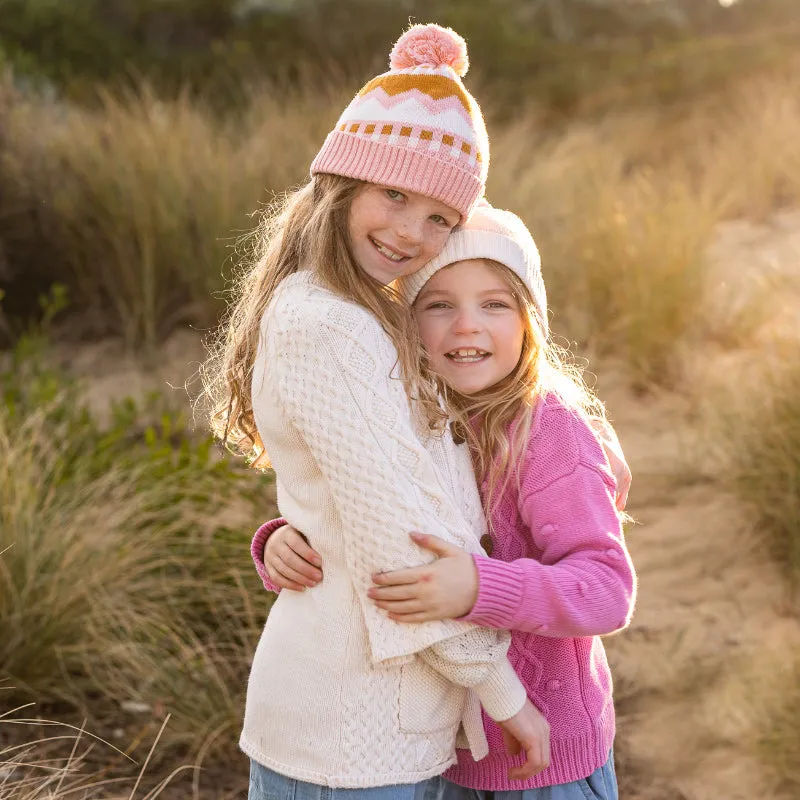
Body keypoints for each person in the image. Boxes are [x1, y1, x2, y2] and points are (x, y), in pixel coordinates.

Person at [203, 23, 554, 800]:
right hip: (346, 735)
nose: (409, 232)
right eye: (394, 194)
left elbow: (360, 485)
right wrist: (505, 696)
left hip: (389, 728)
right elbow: (401, 541)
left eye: (439, 218)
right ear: (341, 183)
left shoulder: (370, 316)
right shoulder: (327, 325)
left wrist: (289, 529)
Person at [254, 204, 637, 800]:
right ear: (405, 324)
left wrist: (480, 589)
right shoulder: (412, 412)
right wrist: (282, 538)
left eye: (494, 304)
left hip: (544, 759)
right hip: (444, 749)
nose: (466, 327)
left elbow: (607, 589)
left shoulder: (548, 432)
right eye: (438, 305)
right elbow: (373, 509)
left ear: (530, 320)